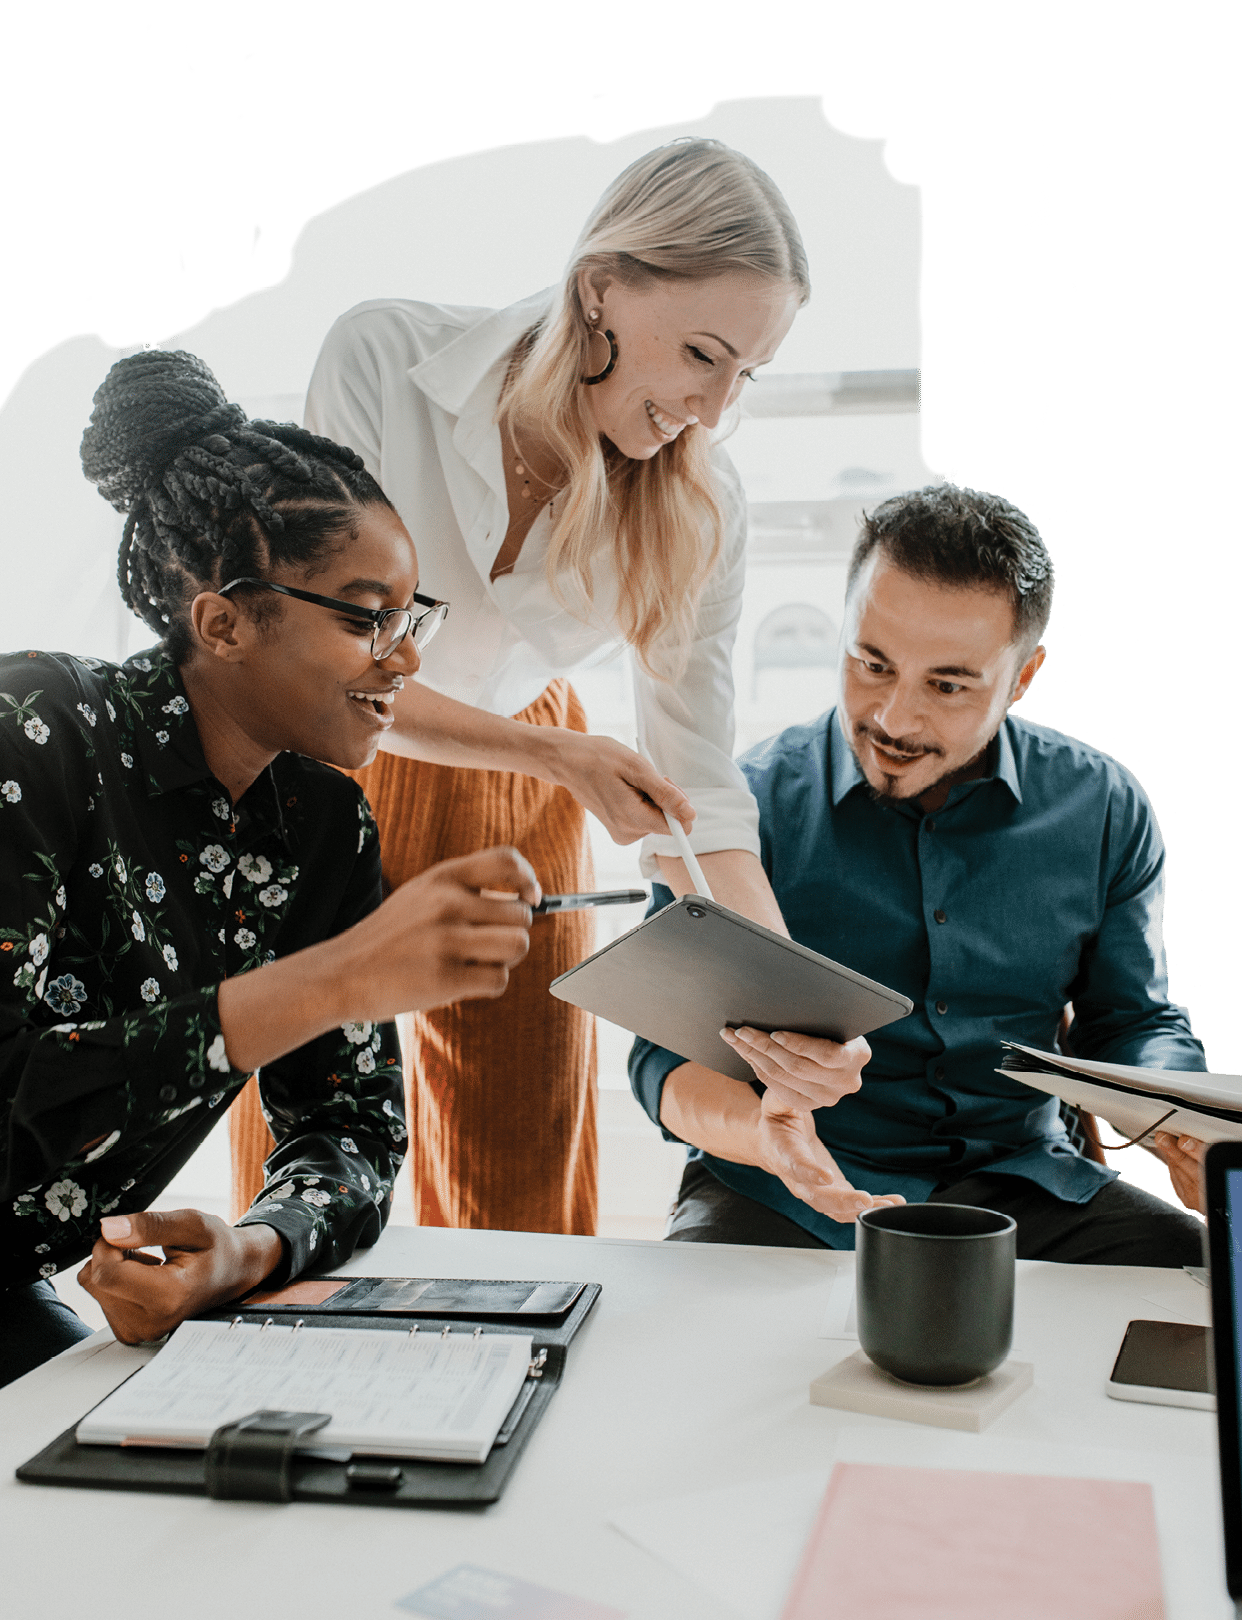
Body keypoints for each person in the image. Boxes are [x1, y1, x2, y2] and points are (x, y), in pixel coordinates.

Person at [226, 137, 811, 1235]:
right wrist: (557, 757)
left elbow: (698, 788)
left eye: (745, 373)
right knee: (298, 1131)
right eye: (700, 353)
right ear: (600, 288)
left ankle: (515, 1379)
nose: (716, 407)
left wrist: (784, 1002)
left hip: (521, 766)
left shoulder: (703, 504)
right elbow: (332, 666)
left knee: (519, 1150)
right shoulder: (383, 358)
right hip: (319, 758)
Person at [0, 349, 540, 1386]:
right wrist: (334, 981)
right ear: (224, 621)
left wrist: (250, 1250)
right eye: (363, 615)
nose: (407, 656)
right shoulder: (37, 735)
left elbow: (352, 1124)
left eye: (409, 615)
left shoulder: (323, 821)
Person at [630, 484, 1209, 1265]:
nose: (895, 718)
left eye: (947, 685)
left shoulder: (1102, 807)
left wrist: (1186, 1121)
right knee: (694, 1354)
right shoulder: (739, 810)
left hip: (1023, 1187)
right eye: (872, 663)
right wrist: (768, 1140)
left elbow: (1131, 1023)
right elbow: (661, 1059)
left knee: (1202, 1291)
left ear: (1023, 676)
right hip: (785, 1189)